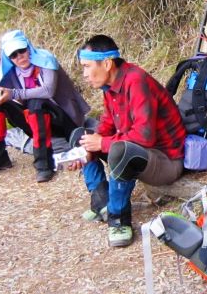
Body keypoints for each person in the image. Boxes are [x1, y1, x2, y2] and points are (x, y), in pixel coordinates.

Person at [73, 34, 186, 247]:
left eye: (87, 67)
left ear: (106, 64)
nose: (85, 74)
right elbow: (106, 124)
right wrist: (87, 148)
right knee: (80, 137)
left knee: (118, 150)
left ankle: (118, 219)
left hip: (165, 161)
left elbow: (144, 136)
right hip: (140, 153)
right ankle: (102, 202)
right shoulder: (110, 87)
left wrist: (102, 144)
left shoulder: (135, 81)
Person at [0, 29, 90, 183]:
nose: (19, 57)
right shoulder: (9, 70)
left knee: (36, 101)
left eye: (21, 50)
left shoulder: (46, 60)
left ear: (28, 47)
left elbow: (48, 91)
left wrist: (13, 93)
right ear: (8, 57)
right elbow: (2, 90)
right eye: (13, 55)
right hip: (37, 121)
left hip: (65, 120)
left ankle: (44, 162)